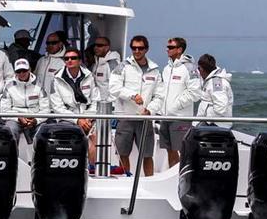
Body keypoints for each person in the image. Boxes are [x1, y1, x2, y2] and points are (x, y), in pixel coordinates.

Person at [109, 35, 160, 176]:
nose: (137, 51)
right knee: (123, 153)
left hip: (145, 118)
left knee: (147, 155)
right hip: (126, 117)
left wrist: (150, 110)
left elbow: (159, 96)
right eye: (134, 48)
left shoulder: (154, 70)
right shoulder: (122, 66)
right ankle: (126, 180)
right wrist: (132, 95)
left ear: (146, 49)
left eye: (140, 48)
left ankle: (150, 183)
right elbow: (114, 87)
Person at [147, 37, 202, 168]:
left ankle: (182, 179)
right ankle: (173, 180)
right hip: (165, 117)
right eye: (167, 47)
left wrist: (175, 106)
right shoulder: (166, 68)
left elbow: (195, 93)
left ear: (179, 50)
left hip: (180, 117)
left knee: (181, 150)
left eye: (171, 47)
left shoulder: (190, 68)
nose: (167, 49)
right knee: (169, 150)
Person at [49, 48, 100, 164]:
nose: (69, 60)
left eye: (73, 58)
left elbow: (95, 101)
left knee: (97, 137)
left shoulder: (90, 76)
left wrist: (88, 118)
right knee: (71, 136)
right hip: (67, 118)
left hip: (88, 117)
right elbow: (57, 108)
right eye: (66, 58)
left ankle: (92, 170)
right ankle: (73, 168)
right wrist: (77, 120)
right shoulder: (56, 79)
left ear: (80, 61)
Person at [0, 58, 50, 142]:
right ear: (15, 72)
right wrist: (18, 118)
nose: (21, 73)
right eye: (18, 71)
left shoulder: (39, 85)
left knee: (44, 130)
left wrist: (36, 120)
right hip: (15, 119)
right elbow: (4, 111)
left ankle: (39, 155)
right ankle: (13, 154)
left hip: (36, 117)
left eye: (24, 70)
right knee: (9, 129)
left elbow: (46, 109)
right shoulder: (8, 87)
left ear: (29, 70)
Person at [197, 54, 233, 128]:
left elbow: (221, 107)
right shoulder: (210, 81)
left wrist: (207, 121)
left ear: (202, 69)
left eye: (198, 68)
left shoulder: (216, 83)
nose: (198, 71)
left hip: (215, 125)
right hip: (209, 123)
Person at [34, 30, 68, 96]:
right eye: (48, 43)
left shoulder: (65, 62)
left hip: (56, 104)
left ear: (60, 44)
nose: (50, 45)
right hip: (40, 103)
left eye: (53, 43)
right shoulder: (41, 60)